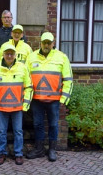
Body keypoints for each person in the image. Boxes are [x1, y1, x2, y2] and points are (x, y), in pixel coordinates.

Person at [25, 32, 73, 162]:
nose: (46, 45)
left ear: (53, 43)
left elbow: (68, 79)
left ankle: (52, 150)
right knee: (38, 124)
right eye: (44, 42)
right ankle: (39, 149)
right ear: (40, 43)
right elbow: (26, 77)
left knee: (53, 125)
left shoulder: (62, 57)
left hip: (54, 100)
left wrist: (64, 99)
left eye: (49, 42)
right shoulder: (31, 57)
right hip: (36, 99)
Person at [0, 43, 33, 165]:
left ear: (15, 55)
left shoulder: (22, 68)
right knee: (2, 131)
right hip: (1, 107)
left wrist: (26, 104)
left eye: (11, 53)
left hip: (17, 107)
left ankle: (18, 154)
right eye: (7, 53)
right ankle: (1, 153)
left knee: (18, 131)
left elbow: (28, 87)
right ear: (2, 54)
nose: (9, 55)